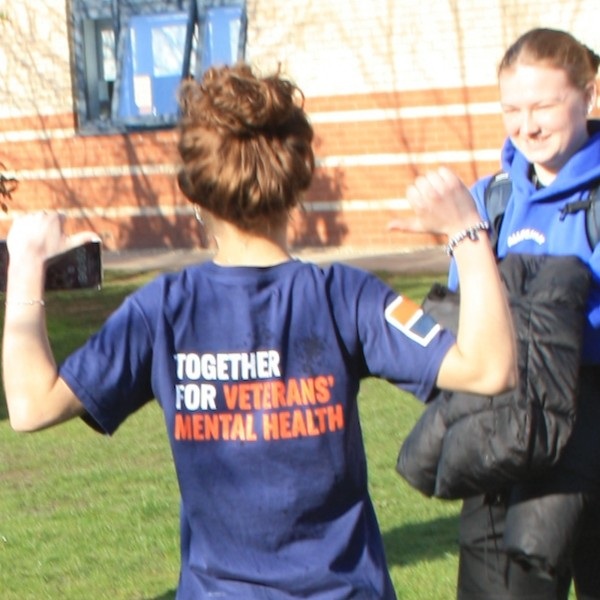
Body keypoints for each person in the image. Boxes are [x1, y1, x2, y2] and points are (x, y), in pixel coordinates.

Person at [2, 63, 515, 599]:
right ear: (297, 182)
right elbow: (490, 368)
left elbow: (31, 405)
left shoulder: (165, 309)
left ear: (194, 195)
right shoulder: (345, 296)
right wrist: (467, 230)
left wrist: (26, 266)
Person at [445, 28, 600, 600]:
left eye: (543, 106)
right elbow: (464, 319)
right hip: (502, 425)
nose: (526, 125)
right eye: (512, 109)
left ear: (589, 94)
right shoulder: (489, 198)